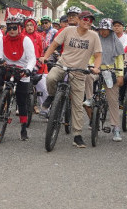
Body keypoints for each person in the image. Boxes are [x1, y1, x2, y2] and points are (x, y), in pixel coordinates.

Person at [39, 10, 102, 148]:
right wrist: (45, 57)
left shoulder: (94, 36)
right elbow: (54, 44)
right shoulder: (68, 30)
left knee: (78, 105)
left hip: (79, 71)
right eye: (85, 19)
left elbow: (98, 55)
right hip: (62, 64)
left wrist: (96, 67)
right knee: (50, 78)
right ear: (79, 20)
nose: (87, 22)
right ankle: (51, 95)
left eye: (90, 20)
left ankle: (77, 135)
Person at [0, 15, 36, 141]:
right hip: (7, 67)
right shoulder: (3, 40)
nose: (12, 30)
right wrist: (0, 60)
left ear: (20, 28)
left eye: (14, 27)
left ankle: (23, 128)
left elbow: (32, 59)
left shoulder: (26, 40)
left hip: (22, 70)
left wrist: (28, 70)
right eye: (9, 27)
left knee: (22, 101)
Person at [85, 18, 125, 142]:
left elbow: (119, 60)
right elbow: (91, 56)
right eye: (101, 30)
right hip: (96, 69)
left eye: (105, 30)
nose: (103, 32)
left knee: (113, 100)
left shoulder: (115, 41)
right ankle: (90, 98)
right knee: (87, 77)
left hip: (111, 71)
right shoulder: (96, 40)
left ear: (110, 30)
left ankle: (116, 128)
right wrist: (91, 66)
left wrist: (120, 75)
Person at [24, 16, 48, 111]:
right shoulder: (22, 37)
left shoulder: (40, 38)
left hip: (40, 67)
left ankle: (46, 110)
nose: (29, 27)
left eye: (31, 25)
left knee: (44, 90)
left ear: (35, 26)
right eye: (27, 25)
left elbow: (43, 53)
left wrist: (38, 64)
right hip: (25, 67)